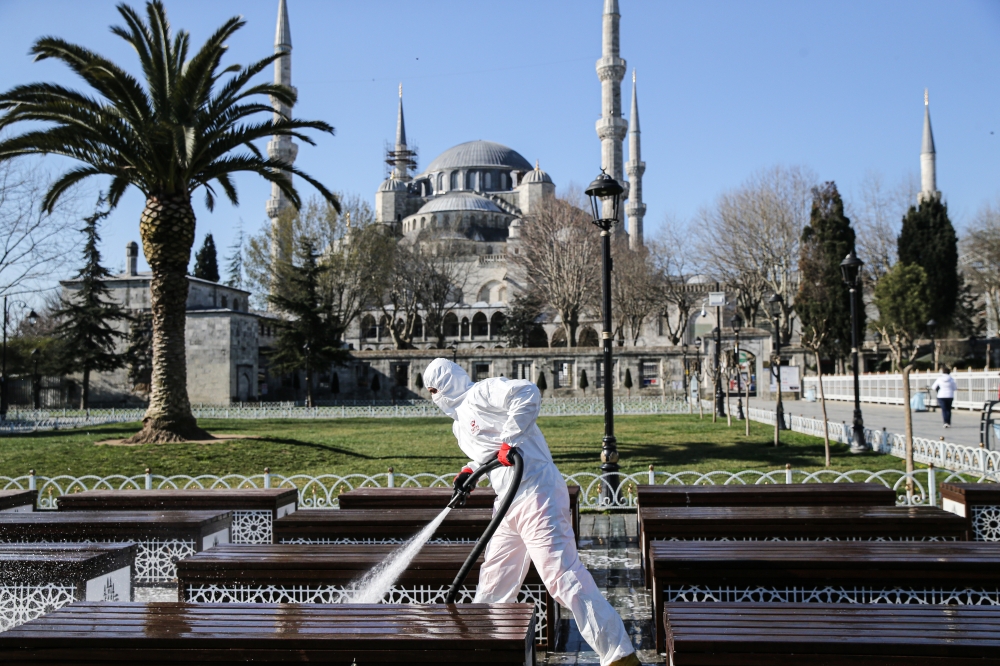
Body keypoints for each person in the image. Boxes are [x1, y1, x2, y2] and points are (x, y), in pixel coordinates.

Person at [422, 358, 640, 666]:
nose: (434, 397)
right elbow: (487, 454)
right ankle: (485, 652)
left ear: (447, 383)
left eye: (435, 389)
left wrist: (510, 439)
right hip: (507, 503)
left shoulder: (482, 392)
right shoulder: (459, 424)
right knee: (494, 581)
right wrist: (469, 471)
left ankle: (620, 655)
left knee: (562, 577)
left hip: (537, 492)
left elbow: (526, 392)